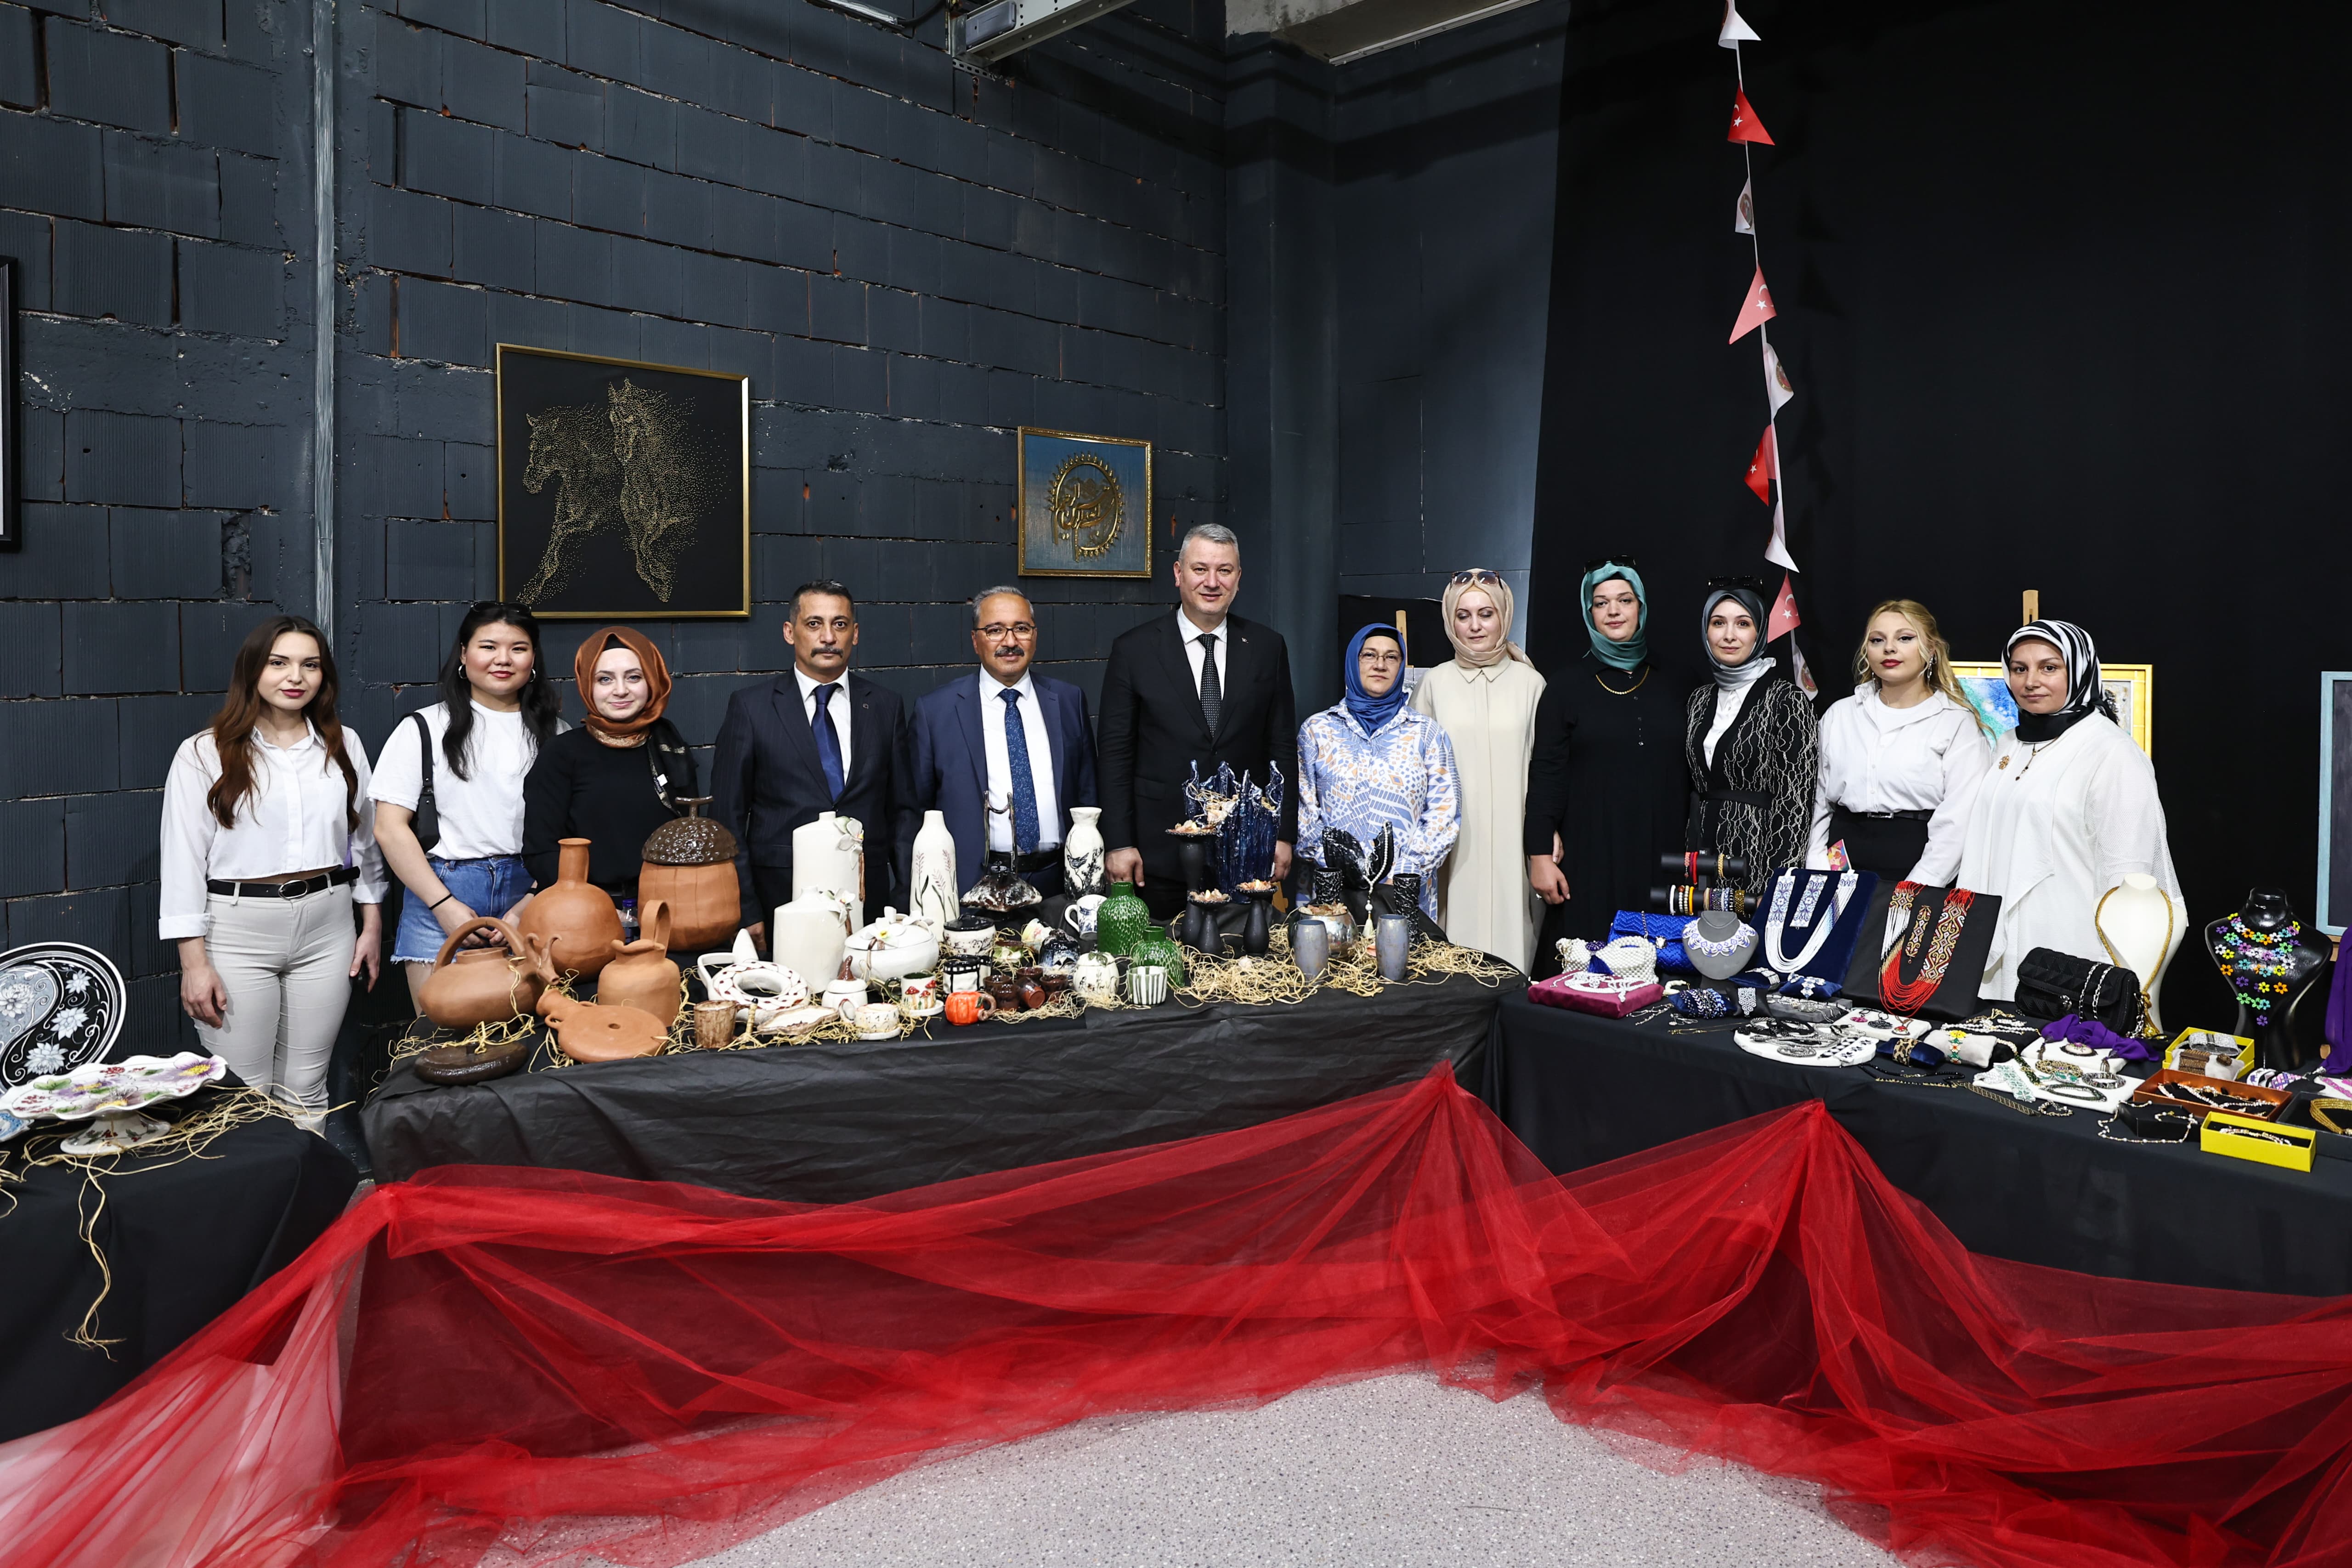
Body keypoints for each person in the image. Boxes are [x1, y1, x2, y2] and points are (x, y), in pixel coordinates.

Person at [159, 615, 385, 1115]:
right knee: (244, 1096)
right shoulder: (203, 752)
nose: (295, 677)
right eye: (279, 663)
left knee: (307, 1087)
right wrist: (194, 964)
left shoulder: (344, 744)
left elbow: (366, 841)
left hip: (329, 926)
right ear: (253, 670)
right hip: (237, 931)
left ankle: (308, 1173)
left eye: (310, 665)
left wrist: (371, 924)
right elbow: (182, 861)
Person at [1957, 619, 2179, 1002]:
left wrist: (2114, 969)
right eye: (2019, 668)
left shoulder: (2112, 753)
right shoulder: (2009, 743)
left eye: (2049, 667)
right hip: (1997, 937)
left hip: (2068, 945)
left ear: (2079, 671)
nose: (2031, 681)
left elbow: (2128, 877)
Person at [1098, 524, 1298, 920]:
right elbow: (1115, 753)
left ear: (1238, 579)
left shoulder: (1267, 648)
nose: (1212, 582)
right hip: (1157, 855)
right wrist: (1119, 842)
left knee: (1245, 954)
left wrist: (1282, 834)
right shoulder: (1134, 650)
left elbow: (1282, 748)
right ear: (1178, 574)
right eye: (1200, 569)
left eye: (1225, 570)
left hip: (1245, 851)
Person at [373, 602, 565, 1008]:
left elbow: (569, 830)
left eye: (518, 648)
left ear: (533, 658)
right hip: (441, 889)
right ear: (464, 654)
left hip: (534, 891)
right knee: (438, 1035)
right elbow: (389, 828)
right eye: (488, 646)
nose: (503, 659)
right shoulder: (423, 728)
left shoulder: (557, 734)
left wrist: (530, 903)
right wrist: (444, 906)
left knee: (532, 1033)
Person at [711, 581, 915, 946]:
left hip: (870, 903)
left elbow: (903, 811)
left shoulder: (885, 706)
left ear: (855, 634)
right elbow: (728, 818)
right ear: (790, 632)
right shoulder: (751, 707)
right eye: (814, 624)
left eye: (840, 624)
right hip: (780, 898)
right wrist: (746, 908)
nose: (828, 637)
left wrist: (905, 897)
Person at [1522, 558, 1688, 971]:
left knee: (1662, 973)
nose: (1614, 611)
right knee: (1586, 973)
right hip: (1590, 854)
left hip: (1662, 854)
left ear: (1641, 607)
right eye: (1601, 603)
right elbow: (1545, 773)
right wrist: (1539, 853)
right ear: (1589, 612)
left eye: (1625, 600)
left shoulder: (1680, 682)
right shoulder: (1565, 687)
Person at [907, 586, 1099, 897]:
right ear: (975, 640)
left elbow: (1088, 792)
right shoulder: (936, 712)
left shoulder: (1068, 701)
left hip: (1060, 882)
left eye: (1021, 629)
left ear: (1035, 636)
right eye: (995, 630)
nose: (1010, 642)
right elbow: (915, 810)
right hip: (973, 886)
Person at [1409, 570, 1545, 968]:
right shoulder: (1434, 683)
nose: (1475, 626)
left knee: (1516, 939)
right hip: (1454, 844)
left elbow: (1547, 767)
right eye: (1463, 615)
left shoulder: (1531, 683)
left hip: (1515, 836)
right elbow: (1415, 771)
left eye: (1486, 614)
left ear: (1504, 616)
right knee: (1454, 944)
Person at [1805, 599, 1992, 885]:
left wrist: (1914, 890)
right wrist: (1818, 870)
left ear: (1931, 649)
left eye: (1905, 638)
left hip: (1918, 863)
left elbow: (1959, 821)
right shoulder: (1840, 715)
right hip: (1841, 861)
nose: (1889, 648)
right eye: (1877, 640)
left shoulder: (1955, 723)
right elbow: (1818, 802)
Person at [521, 627, 698, 904]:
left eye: (634, 677)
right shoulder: (561, 754)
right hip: (586, 911)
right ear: (587, 686)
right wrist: (595, 909)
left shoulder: (669, 748)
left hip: (669, 907)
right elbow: (541, 852)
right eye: (605, 679)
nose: (621, 690)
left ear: (653, 681)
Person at [1299, 625, 1459, 920]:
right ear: (1353, 661)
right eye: (1369, 655)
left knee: (1402, 951)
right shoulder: (1317, 731)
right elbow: (1304, 810)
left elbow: (1444, 813)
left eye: (1391, 657)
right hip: (1331, 892)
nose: (1380, 665)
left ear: (1401, 666)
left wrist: (1404, 871)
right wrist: (1340, 864)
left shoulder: (1427, 734)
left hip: (1404, 892)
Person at [1683, 579, 1817, 900]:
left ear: (1760, 633)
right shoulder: (1698, 700)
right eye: (1719, 623)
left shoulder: (1788, 701)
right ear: (1706, 631)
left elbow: (1795, 804)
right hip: (1700, 856)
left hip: (1757, 861)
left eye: (1743, 624)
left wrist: (1777, 887)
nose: (1729, 635)